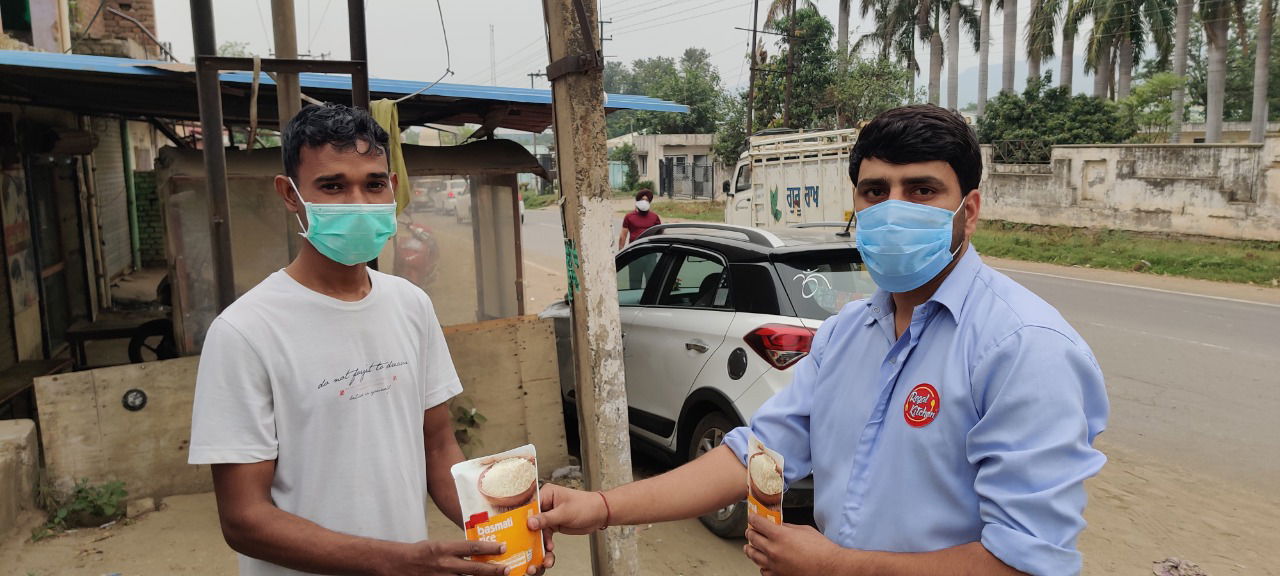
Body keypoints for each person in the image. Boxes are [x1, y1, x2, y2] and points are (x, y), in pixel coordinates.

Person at [528, 105, 1109, 576]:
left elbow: (1026, 563)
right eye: (875, 191)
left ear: (969, 209)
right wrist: (600, 507)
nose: (893, 210)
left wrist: (836, 566)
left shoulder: (1025, 348)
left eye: (921, 190)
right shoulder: (846, 335)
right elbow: (754, 453)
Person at [188, 103, 552, 576]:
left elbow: (438, 446)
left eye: (374, 184)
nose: (358, 202)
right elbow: (244, 518)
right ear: (290, 194)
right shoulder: (245, 331)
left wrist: (507, 534)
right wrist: (396, 561)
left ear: (393, 188)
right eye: (333, 186)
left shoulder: (410, 304)